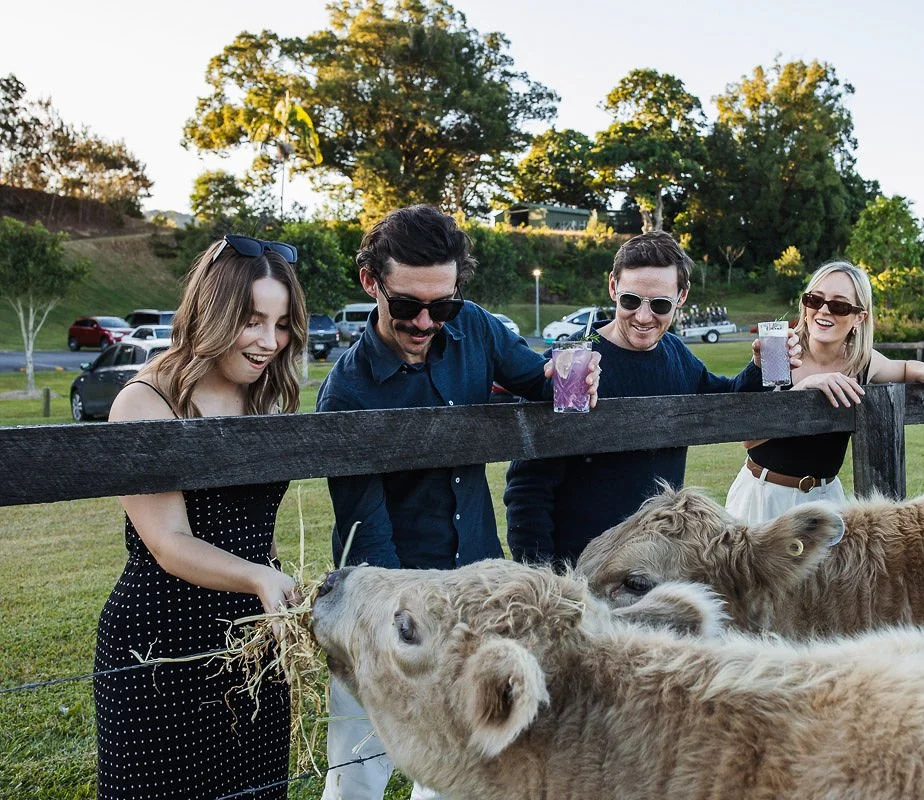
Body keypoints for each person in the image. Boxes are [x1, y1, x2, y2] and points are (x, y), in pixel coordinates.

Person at [316, 205, 599, 800]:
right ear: (370, 282)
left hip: (473, 591)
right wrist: (395, 629)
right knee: (358, 770)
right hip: (384, 602)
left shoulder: (475, 328)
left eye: (441, 305)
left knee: (463, 769)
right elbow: (368, 531)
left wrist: (570, 373)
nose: (426, 321)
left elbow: (536, 379)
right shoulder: (345, 392)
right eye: (407, 304)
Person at [93, 234, 307, 799]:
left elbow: (253, 521)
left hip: (253, 641)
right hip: (161, 645)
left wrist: (273, 584)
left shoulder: (266, 396)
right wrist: (260, 577)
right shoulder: (145, 401)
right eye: (252, 321)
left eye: (282, 324)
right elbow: (168, 541)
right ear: (212, 313)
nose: (269, 342)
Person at [504, 230, 797, 567]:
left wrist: (759, 367)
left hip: (658, 566)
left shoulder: (675, 352)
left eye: (659, 304)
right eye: (631, 300)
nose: (643, 317)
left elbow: (726, 404)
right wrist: (545, 576)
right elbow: (529, 488)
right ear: (613, 287)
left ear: (681, 297)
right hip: (585, 569)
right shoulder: (574, 359)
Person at [725, 260, 924, 524]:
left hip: (826, 500)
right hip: (764, 497)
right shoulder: (781, 350)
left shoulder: (861, 362)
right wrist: (803, 391)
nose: (823, 310)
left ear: (859, 317)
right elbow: (749, 439)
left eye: (839, 306)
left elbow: (903, 367)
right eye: (814, 299)